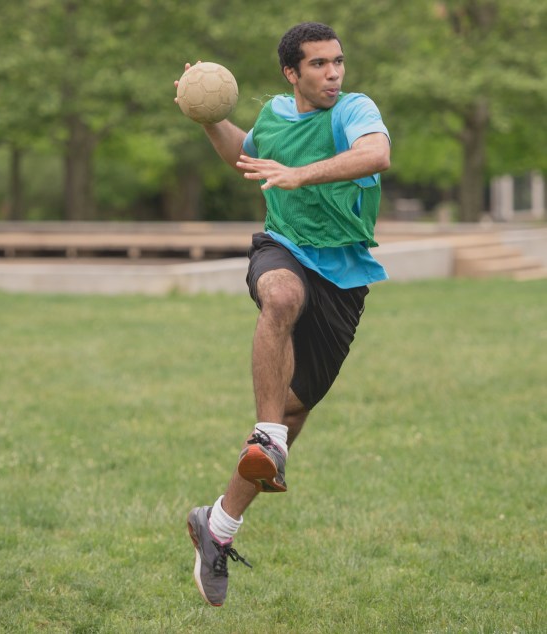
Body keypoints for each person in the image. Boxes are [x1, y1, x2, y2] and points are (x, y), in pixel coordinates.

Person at [176, 22, 391, 607]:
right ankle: (265, 435)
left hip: (343, 279)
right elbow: (241, 155)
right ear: (291, 74)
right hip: (284, 250)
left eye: (338, 62)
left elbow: (377, 153)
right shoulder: (273, 116)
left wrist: (301, 172)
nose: (333, 74)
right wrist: (209, 120)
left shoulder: (353, 110)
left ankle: (216, 526)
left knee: (296, 411)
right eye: (319, 65)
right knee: (280, 298)